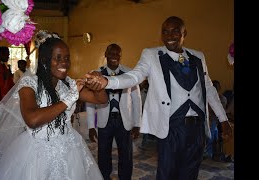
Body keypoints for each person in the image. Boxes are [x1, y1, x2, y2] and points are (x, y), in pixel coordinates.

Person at [86, 16, 233, 180]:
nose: (169, 35)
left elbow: (209, 88)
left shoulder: (198, 57)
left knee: (190, 172)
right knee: (167, 173)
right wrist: (107, 81)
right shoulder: (151, 55)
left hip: (197, 127)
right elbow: (135, 76)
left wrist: (223, 119)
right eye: (165, 31)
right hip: (170, 126)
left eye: (175, 31)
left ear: (185, 33)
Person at [0, 30, 107, 180]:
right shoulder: (29, 84)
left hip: (70, 147)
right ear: (44, 60)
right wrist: (68, 100)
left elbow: (101, 100)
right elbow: (32, 119)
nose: (64, 63)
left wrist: (98, 85)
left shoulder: (68, 83)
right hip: (38, 151)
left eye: (67, 58)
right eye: (58, 58)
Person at [85, 43, 142, 180]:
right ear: (105, 54)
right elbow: (90, 101)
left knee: (126, 154)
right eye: (111, 53)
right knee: (103, 153)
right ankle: (104, 176)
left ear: (121, 56)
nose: (114, 56)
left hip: (125, 121)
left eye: (117, 54)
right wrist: (91, 126)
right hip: (105, 120)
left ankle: (125, 177)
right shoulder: (96, 74)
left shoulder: (130, 74)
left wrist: (137, 124)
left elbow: (137, 100)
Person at [204, 80, 227, 161]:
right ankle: (208, 154)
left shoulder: (222, 98)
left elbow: (216, 112)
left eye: (217, 87)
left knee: (213, 137)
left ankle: (210, 155)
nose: (216, 88)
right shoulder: (205, 98)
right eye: (214, 86)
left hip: (215, 121)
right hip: (207, 120)